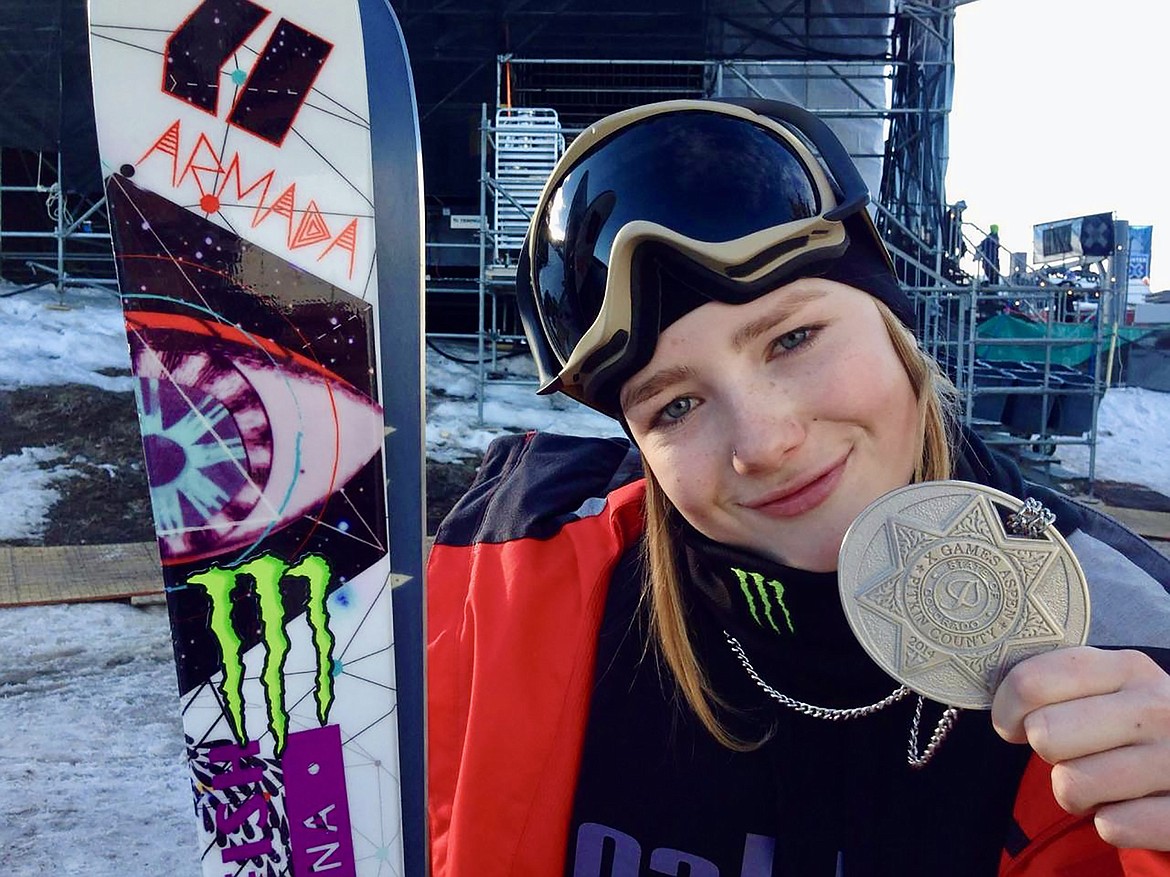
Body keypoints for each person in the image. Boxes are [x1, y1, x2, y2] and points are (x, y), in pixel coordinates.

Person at [426, 99, 1170, 876]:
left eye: (793, 338)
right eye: (676, 404)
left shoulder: (1131, 637)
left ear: (895, 326)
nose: (765, 443)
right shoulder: (511, 574)